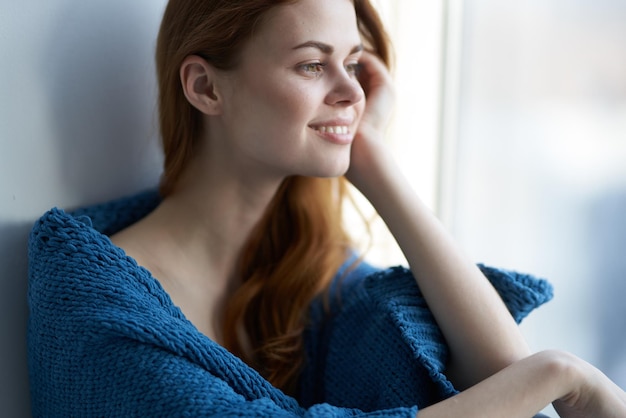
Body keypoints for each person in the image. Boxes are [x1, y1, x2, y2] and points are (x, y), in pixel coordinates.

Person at [27, 0, 626, 416]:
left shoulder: (309, 273)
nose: (352, 91)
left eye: (354, 63)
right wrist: (557, 375)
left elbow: (495, 378)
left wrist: (372, 158)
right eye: (313, 64)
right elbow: (521, 387)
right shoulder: (91, 298)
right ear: (206, 88)